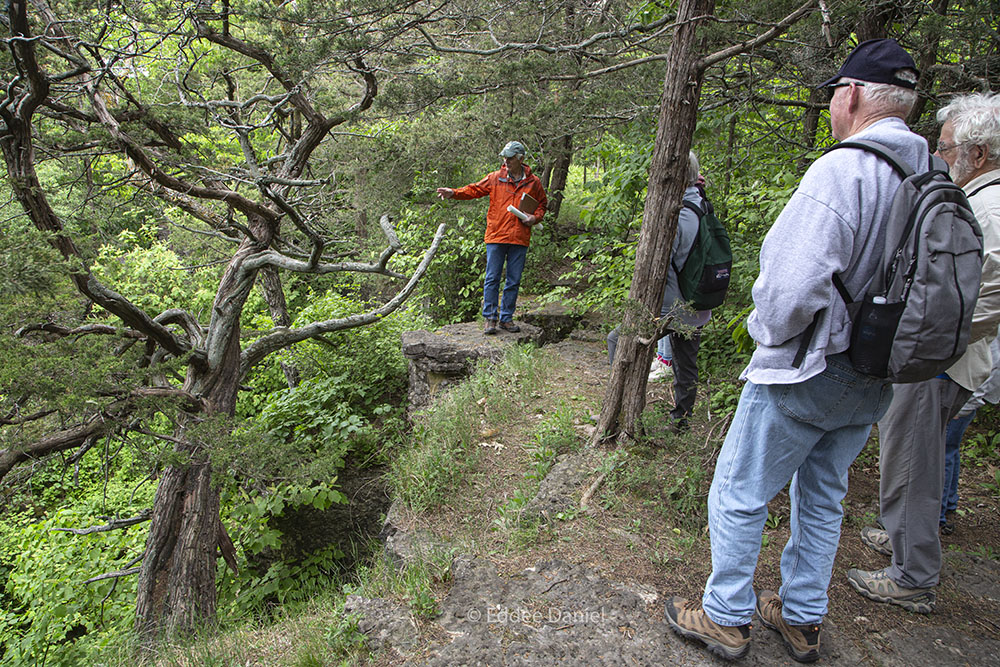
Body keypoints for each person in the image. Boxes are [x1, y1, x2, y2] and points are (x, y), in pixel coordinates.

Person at [664, 39, 924, 663]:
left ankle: (726, 617)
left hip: (809, 367)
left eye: (837, 91)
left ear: (854, 94)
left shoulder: (844, 170)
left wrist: (769, 339)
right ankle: (803, 617)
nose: (834, 100)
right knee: (823, 497)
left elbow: (787, 288)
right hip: (880, 372)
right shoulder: (929, 177)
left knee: (738, 490)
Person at [850, 92, 1000, 612]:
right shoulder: (976, 200)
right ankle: (901, 537)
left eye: (947, 147)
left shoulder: (990, 207)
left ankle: (913, 574)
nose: (939, 156)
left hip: (939, 363)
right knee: (911, 455)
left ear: (977, 154)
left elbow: (986, 299)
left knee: (913, 461)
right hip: (940, 359)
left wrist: (931, 340)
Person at [607, 151, 710, 432]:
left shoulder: (678, 215)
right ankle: (682, 421)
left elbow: (662, 266)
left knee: (617, 340)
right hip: (698, 304)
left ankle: (620, 409)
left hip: (671, 306)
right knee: (686, 364)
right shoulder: (703, 204)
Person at [437, 141, 548, 335]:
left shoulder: (534, 182)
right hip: (496, 235)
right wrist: (454, 193)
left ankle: (506, 319)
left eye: (510, 158)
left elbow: (542, 204)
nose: (506, 161)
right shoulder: (496, 177)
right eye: (504, 157)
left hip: (520, 237)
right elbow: (474, 190)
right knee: (492, 278)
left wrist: (534, 217)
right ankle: (490, 319)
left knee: (513, 280)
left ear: (520, 159)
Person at [941, 331, 1000, 534]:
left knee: (941, 453)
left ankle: (936, 515)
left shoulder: (987, 323)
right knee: (949, 450)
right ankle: (947, 507)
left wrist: (969, 404)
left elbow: (990, 362)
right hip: (968, 393)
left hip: (965, 394)